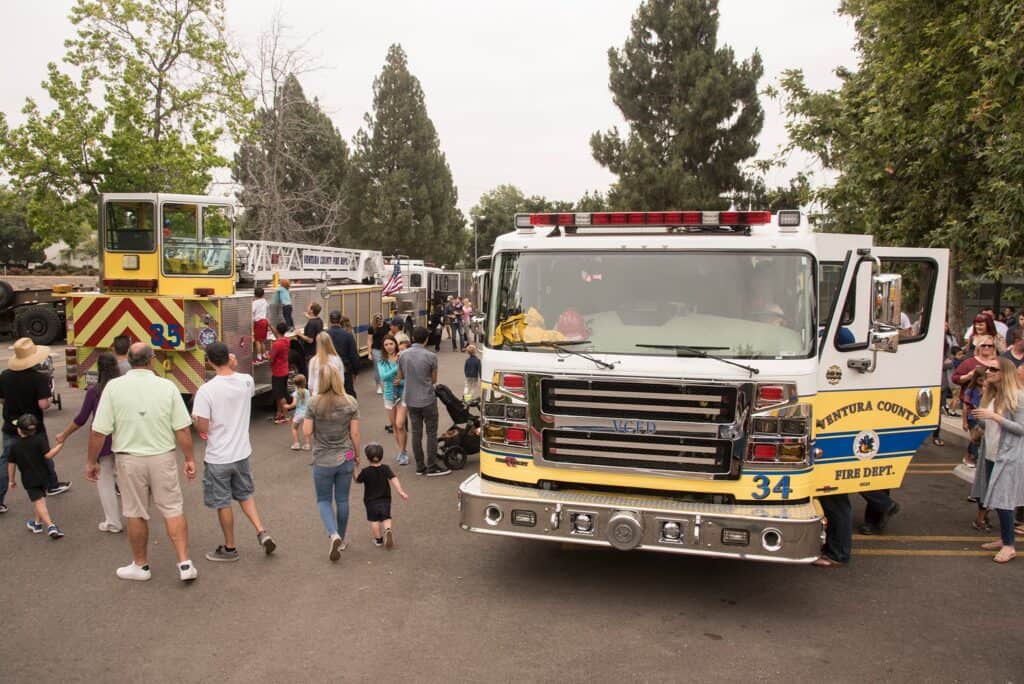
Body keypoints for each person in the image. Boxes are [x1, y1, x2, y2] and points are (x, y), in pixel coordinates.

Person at [88, 343, 199, 582]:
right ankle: (184, 563)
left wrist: (92, 461)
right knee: (172, 508)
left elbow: (99, 432)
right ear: (152, 360)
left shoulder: (113, 388)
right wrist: (189, 458)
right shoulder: (167, 386)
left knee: (135, 511)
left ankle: (141, 565)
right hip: (163, 456)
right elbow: (182, 429)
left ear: (128, 360)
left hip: (129, 459)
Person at [192, 342, 276, 562]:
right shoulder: (246, 381)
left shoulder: (206, 391)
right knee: (245, 494)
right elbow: (239, 378)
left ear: (209, 361)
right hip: (241, 453)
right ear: (229, 357)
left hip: (218, 456)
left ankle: (230, 548)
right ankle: (261, 531)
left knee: (223, 502)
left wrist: (197, 421)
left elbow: (202, 428)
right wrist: (234, 363)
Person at [0, 338, 70, 516]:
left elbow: (1, 400)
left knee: (7, 460)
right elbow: (43, 405)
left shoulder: (5, 376)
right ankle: (52, 484)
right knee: (44, 454)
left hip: (10, 425)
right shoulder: (40, 378)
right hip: (33, 426)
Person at [54, 352, 122, 532]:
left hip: (103, 442)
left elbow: (81, 418)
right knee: (126, 481)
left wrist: (64, 434)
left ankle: (113, 522)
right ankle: (137, 518)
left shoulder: (95, 391)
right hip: (126, 440)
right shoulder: (123, 388)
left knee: (105, 481)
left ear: (99, 369)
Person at [303, 365, 360, 561]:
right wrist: (356, 456)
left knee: (324, 500)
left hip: (322, 458)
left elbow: (307, 432)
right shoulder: (350, 402)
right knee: (343, 500)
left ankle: (332, 533)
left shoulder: (313, 403)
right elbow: (354, 433)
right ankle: (342, 539)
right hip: (345, 456)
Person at [969, 357, 1024, 563]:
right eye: (988, 368)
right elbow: (990, 426)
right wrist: (980, 424)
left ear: (1005, 373)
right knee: (996, 500)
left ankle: (1009, 546)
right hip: (992, 454)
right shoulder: (993, 395)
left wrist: (995, 417)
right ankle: (1004, 539)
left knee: (1004, 501)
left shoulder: (1017, 397)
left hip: (1008, 457)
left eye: (993, 369)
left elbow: (1021, 429)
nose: (988, 371)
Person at [396, 326, 450, 477]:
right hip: (427, 398)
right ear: (426, 339)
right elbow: (434, 379)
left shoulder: (403, 355)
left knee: (416, 432)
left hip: (411, 399)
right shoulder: (431, 356)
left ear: (412, 338)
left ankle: (420, 466)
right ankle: (431, 466)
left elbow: (400, 376)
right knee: (431, 433)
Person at [8, 414, 65, 539]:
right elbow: (49, 455)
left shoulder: (14, 446)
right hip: (43, 476)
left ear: (19, 429)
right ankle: (37, 524)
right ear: (34, 430)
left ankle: (51, 526)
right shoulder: (39, 440)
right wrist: (60, 445)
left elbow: (11, 465)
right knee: (40, 500)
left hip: (29, 479)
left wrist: (11, 480)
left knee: (39, 501)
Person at [353, 442, 409, 548]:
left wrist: (354, 467)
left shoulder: (366, 471)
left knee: (374, 520)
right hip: (385, 499)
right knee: (386, 517)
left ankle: (378, 540)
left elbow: (357, 480)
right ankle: (388, 530)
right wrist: (400, 491)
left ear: (367, 458)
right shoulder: (386, 468)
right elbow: (394, 478)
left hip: (370, 501)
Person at [377, 335, 408, 465]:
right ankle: (402, 451)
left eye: (391, 344)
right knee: (395, 426)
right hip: (389, 395)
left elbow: (408, 377)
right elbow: (383, 377)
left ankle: (403, 452)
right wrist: (396, 366)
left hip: (403, 394)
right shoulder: (382, 361)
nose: (389, 347)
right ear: (383, 347)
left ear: (395, 344)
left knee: (400, 423)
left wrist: (400, 381)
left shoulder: (403, 358)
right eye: (386, 345)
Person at [327, 311, 359, 398]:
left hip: (329, 369)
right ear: (340, 319)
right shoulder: (348, 335)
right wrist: (355, 371)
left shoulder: (325, 335)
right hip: (345, 368)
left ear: (330, 320)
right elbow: (353, 354)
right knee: (348, 393)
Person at [308, 331, 344, 396]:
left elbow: (310, 385)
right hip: (334, 396)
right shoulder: (337, 359)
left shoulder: (313, 361)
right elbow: (341, 380)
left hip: (317, 396)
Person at [270, 322, 291, 424]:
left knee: (280, 396)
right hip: (285, 370)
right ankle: (279, 413)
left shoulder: (276, 344)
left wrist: (266, 355)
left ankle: (286, 416)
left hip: (278, 372)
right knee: (279, 394)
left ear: (277, 330)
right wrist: (270, 325)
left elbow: (271, 358)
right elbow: (277, 336)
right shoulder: (286, 340)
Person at [286, 374, 311, 451]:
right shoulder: (307, 392)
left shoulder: (296, 393)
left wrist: (288, 406)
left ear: (295, 384)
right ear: (305, 383)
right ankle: (307, 444)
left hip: (298, 414)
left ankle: (296, 443)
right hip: (307, 413)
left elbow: (294, 404)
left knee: (294, 428)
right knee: (305, 429)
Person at [369, 314, 388, 395]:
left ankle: (387, 385)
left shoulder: (387, 326)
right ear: (375, 320)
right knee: (378, 368)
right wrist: (369, 353)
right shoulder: (372, 328)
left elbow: (391, 336)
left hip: (386, 349)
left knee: (387, 368)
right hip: (376, 350)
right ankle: (379, 386)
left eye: (380, 319)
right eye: (377, 319)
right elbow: (369, 340)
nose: (379, 321)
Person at [252, 286, 269, 361]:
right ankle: (264, 354)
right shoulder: (265, 301)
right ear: (263, 294)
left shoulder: (255, 303)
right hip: (265, 321)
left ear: (255, 295)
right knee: (262, 340)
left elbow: (252, 311)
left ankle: (259, 357)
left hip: (258, 322)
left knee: (257, 340)